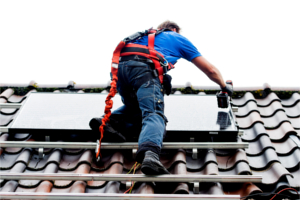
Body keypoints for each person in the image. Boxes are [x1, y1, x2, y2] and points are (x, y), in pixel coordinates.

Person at [90, 20, 233, 175]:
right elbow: (210, 70)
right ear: (173, 29)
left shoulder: (142, 36)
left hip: (119, 72)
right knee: (154, 113)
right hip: (142, 70)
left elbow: (136, 55)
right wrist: (224, 86)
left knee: (137, 107)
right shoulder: (176, 37)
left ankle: (107, 121)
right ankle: (150, 156)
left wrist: (162, 77)